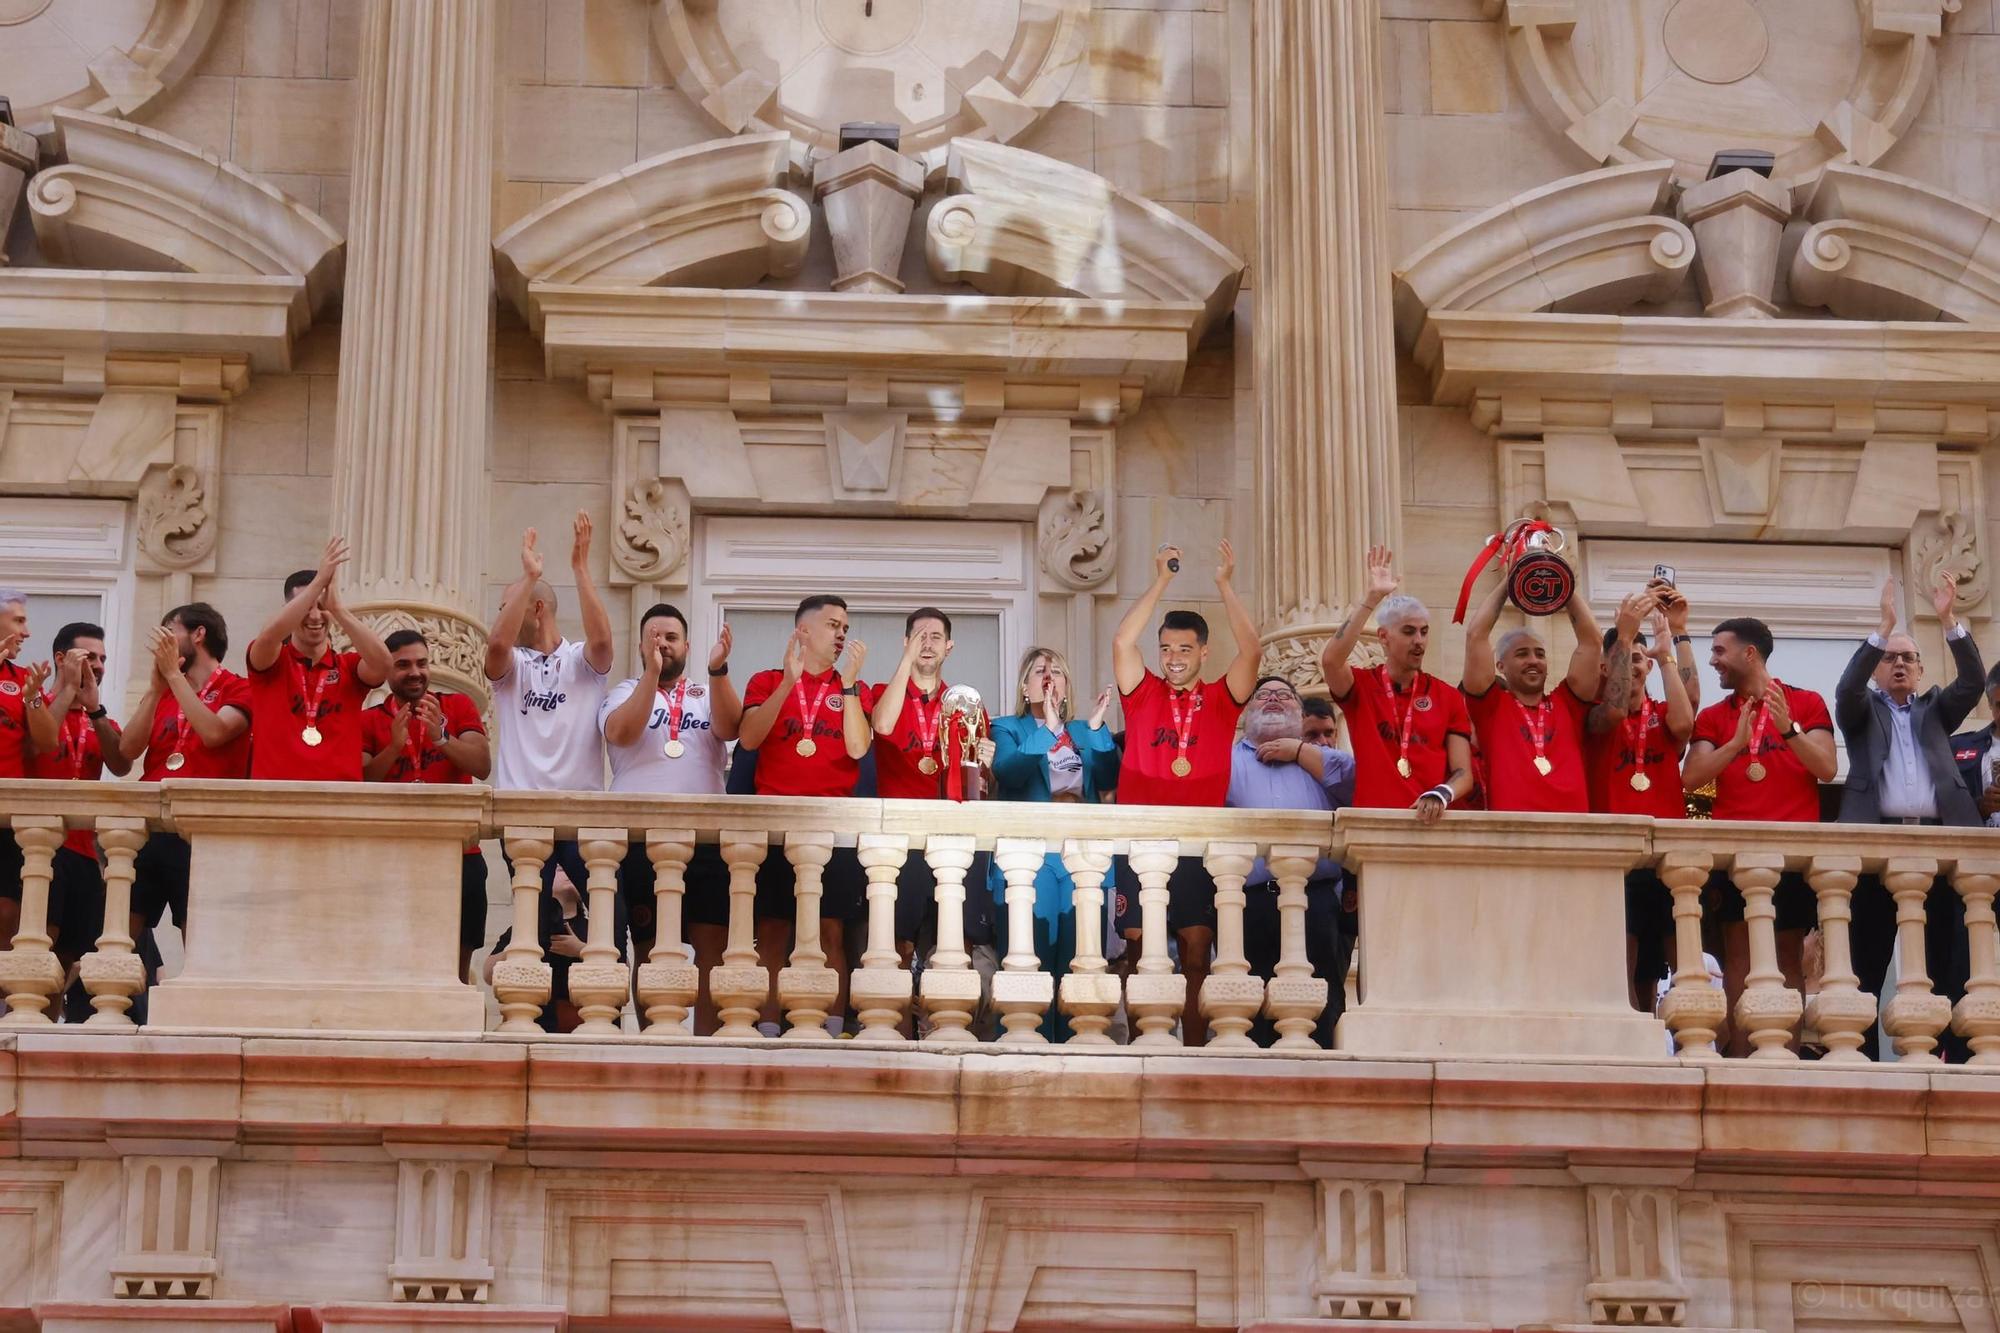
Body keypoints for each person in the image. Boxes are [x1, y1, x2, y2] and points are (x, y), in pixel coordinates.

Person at [1109, 539, 1260, 1047]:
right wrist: (1161, 580)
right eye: (1167, 649)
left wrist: (1223, 586)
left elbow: (1253, 650)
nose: (1173, 659)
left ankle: (1193, 1047)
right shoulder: (1143, 691)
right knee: (1137, 949)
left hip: (1198, 844)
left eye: (1184, 649)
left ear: (1203, 651)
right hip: (1141, 840)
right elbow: (1121, 642)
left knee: (1196, 949)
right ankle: (1143, 1043)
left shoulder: (1220, 700)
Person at [1836, 574, 1983, 1062]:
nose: (1899, 664)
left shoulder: (1936, 711)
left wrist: (1948, 619)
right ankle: (1861, 1056)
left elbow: (1973, 683)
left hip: (1939, 848)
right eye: (1889, 658)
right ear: (1878, 668)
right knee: (1868, 957)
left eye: (1907, 658)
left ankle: (1944, 1055)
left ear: (1920, 671)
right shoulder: (1861, 712)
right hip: (1877, 849)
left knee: (1945, 957)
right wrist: (1884, 627)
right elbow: (1847, 688)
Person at [1682, 616, 1837, 1058]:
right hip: (1735, 857)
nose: (1714, 661)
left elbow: (1826, 768)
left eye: (1719, 651)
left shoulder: (1806, 702)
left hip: (1791, 855)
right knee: (1738, 959)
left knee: (1789, 957)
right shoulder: (1715, 716)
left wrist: (1789, 730)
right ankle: (1739, 1057)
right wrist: (1734, 745)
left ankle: (1782, 1054)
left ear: (1749, 654)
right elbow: (1691, 778)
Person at [598, 602, 739, 1033]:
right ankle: (655, 1037)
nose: (663, 644)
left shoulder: (704, 691)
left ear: (687, 645)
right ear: (641, 645)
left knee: (712, 950)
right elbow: (622, 731)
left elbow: (731, 728)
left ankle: (709, 1046)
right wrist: (651, 676)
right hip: (642, 841)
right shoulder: (622, 692)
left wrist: (718, 673)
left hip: (707, 842)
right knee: (650, 947)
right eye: (655, 638)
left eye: (671, 638)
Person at [738, 594, 872, 1036]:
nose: (841, 635)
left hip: (833, 826)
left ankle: (831, 1028)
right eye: (833, 625)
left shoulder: (854, 687)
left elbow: (857, 747)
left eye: (845, 629)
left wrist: (849, 687)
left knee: (831, 928)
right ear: (803, 631)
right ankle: (769, 1028)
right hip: (776, 825)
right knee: (773, 927)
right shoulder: (766, 679)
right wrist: (787, 684)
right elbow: (750, 739)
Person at [990, 647, 1119, 1040]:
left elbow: (1111, 777)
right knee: (1031, 964)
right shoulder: (1008, 727)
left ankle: (1074, 1052)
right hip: (1029, 858)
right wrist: (1046, 730)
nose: (1050, 677)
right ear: (1025, 686)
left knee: (1079, 966)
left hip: (1082, 858)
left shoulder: (1084, 730)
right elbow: (1008, 773)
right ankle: (1024, 1050)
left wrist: (1098, 730)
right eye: (1040, 671)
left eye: (1058, 672)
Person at [870, 608, 997, 1001]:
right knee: (898, 943)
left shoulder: (965, 704)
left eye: (936, 637)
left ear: (950, 647)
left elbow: (979, 786)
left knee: (949, 943)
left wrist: (986, 766)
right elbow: (883, 726)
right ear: (905, 642)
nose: (928, 644)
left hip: (949, 840)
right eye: (919, 636)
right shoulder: (882, 691)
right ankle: (898, 1032)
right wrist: (906, 663)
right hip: (899, 838)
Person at [484, 515, 615, 891]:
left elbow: (604, 642)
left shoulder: (579, 660)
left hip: (581, 815)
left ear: (537, 608)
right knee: (535, 929)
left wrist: (580, 568)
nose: (500, 617)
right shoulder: (513, 667)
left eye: (508, 606)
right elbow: (496, 646)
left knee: (610, 920)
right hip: (523, 816)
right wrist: (527, 578)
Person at [1227, 676, 1355, 1048]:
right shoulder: (1226, 760)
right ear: (1248, 710)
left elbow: (1361, 784)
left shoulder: (1323, 760)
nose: (1273, 700)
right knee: (1253, 1005)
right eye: (1263, 695)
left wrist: (1299, 752)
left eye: (1284, 696)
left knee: (1324, 1004)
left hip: (1317, 904)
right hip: (1251, 904)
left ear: (1300, 715)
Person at [1585, 591, 1697, 1010]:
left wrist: (1666, 654)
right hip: (1617, 855)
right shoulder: (1597, 715)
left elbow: (1686, 723)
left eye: (1637, 659)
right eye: (1621, 658)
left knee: (1655, 969)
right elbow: (1611, 712)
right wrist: (1626, 638)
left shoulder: (1664, 712)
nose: (1631, 667)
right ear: (1605, 666)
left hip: (1666, 855)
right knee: (1623, 965)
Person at [361, 629, 493, 983]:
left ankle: (458, 1007)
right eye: (403, 665)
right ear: (387, 672)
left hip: (458, 851)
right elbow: (360, 784)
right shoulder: (370, 720)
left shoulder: (457, 706)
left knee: (459, 954)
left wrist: (440, 737)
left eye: (421, 663)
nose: (415, 672)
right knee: (392, 948)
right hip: (393, 852)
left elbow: (481, 765)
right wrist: (392, 748)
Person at [121, 604, 252, 943]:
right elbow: (128, 750)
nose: (162, 643)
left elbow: (215, 733)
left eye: (170, 632)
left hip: (200, 828)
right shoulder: (164, 691)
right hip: (150, 823)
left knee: (196, 933)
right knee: (121, 931)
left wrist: (174, 677)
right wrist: (153, 687)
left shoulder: (239, 688)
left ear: (198, 634)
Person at [1318, 547, 1474, 822]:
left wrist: (1442, 793)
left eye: (1424, 632)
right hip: (1373, 825)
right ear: (1384, 637)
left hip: (1429, 826)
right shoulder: (1362, 686)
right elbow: (1331, 661)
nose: (1419, 641)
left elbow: (1463, 774)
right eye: (1409, 631)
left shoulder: (1447, 696)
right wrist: (1371, 599)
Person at [32, 624, 131, 1020]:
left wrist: (95, 709)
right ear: (61, 659)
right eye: (90, 657)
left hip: (85, 852)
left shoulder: (98, 715)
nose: (100, 665)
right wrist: (67, 692)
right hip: (41, 845)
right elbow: (40, 742)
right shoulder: (36, 703)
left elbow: (120, 764)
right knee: (40, 942)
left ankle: (44, 1030)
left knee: (70, 952)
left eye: (104, 658)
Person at [1460, 553, 1604, 813]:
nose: (1533, 660)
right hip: (1513, 831)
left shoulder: (1567, 703)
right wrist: (1510, 579)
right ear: (1500, 666)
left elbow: (1592, 641)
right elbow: (1476, 635)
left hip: (1574, 830)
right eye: (1522, 654)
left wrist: (1562, 578)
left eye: (1539, 654)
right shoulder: (1490, 707)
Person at [245, 536, 393, 781]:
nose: (315, 616)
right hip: (276, 797)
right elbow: (269, 636)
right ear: (289, 610)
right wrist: (319, 583)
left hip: (339, 799)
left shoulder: (348, 666)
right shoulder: (272, 660)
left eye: (320, 607)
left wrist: (337, 608)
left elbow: (383, 664)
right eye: (305, 607)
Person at [483, 868, 620, 1034]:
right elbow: (488, 974)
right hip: (534, 1018)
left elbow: (620, 969)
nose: (568, 873)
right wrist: (516, 946)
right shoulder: (525, 928)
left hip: (584, 1018)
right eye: (559, 869)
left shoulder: (595, 928)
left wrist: (580, 950)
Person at [0, 589, 43, 951]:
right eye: (19, 620)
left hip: (9, 815)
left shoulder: (22, 678)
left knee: (7, 913)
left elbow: (46, 743)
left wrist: (33, 697)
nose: (26, 632)